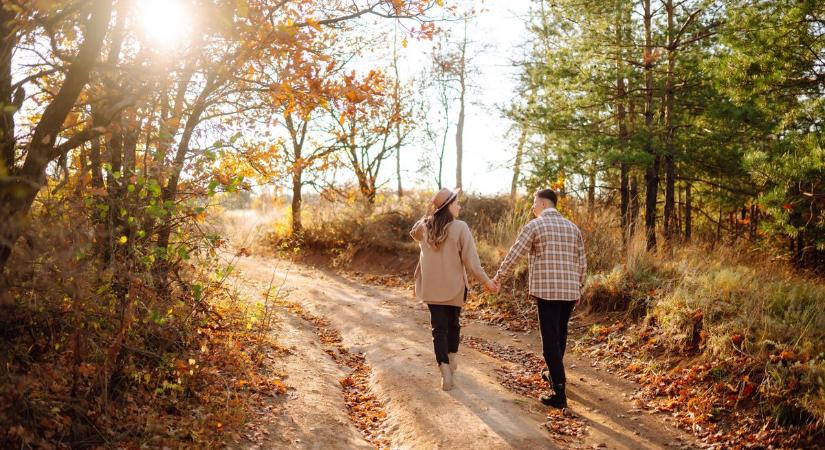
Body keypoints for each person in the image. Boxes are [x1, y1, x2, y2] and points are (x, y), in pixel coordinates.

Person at [493, 189, 586, 408]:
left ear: (543, 203)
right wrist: (579, 287)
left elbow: (515, 254)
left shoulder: (535, 226)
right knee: (560, 334)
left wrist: (498, 277)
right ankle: (554, 373)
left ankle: (559, 393)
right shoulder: (573, 228)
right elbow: (582, 262)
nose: (532, 207)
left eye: (534, 203)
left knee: (549, 343)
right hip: (570, 291)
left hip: (547, 291)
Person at [411, 188, 498, 391]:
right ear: (448, 206)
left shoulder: (424, 227)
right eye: (456, 203)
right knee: (453, 325)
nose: (459, 206)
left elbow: (413, 232)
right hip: (455, 287)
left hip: (431, 288)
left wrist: (429, 212)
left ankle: (445, 372)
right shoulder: (460, 227)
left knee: (438, 330)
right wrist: (487, 282)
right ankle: (451, 359)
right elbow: (472, 263)